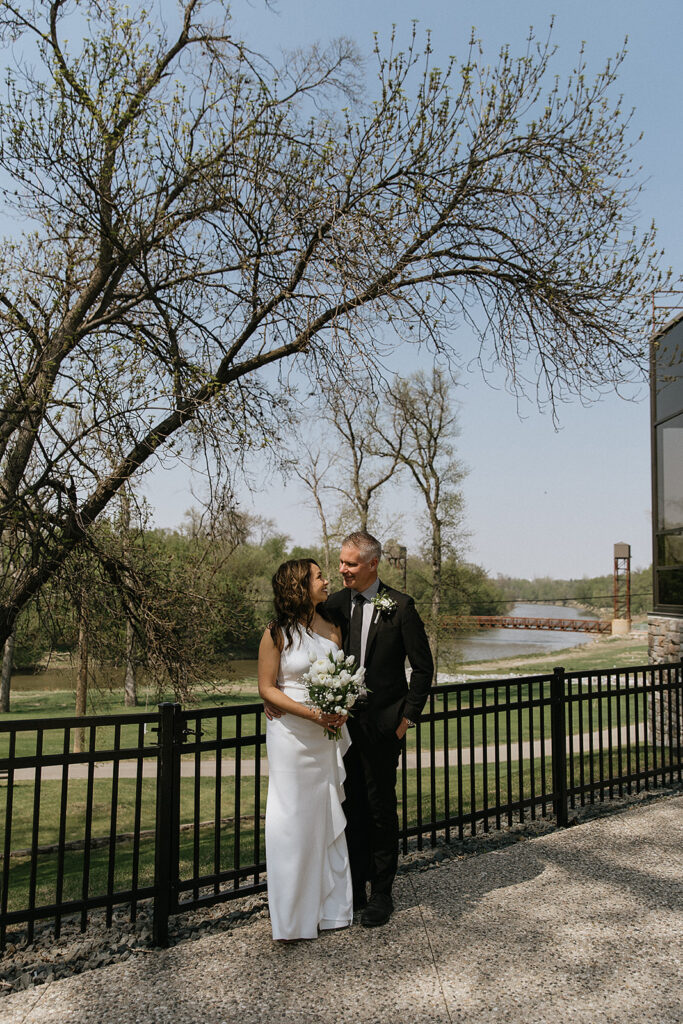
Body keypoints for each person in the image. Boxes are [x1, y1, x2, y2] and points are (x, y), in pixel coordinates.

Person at [324, 531, 434, 928]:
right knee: (347, 807)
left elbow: (423, 669)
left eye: (350, 563)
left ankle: (382, 893)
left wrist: (406, 719)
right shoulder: (333, 604)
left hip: (385, 729)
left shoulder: (401, 607)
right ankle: (351, 888)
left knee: (380, 809)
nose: (342, 569)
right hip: (340, 729)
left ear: (372, 564)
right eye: (340, 562)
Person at [258, 558, 352, 941]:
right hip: (291, 737)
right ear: (299, 585)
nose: (327, 580)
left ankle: (330, 911)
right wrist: (313, 714)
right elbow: (267, 688)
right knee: (290, 821)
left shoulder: (332, 629)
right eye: (318, 576)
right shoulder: (276, 633)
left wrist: (339, 707)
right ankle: (292, 920)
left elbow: (342, 677)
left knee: (323, 818)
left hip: (323, 737)